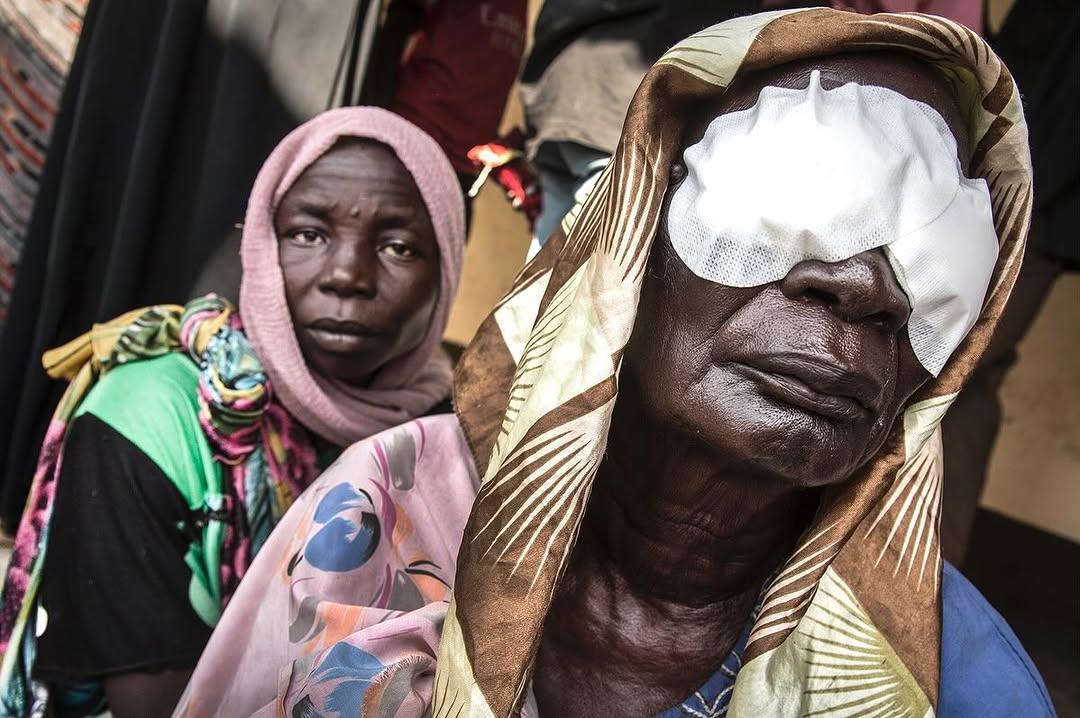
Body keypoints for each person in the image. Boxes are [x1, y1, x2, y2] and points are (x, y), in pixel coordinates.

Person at [176, 9, 1052, 717]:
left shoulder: (969, 687)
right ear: (631, 242)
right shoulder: (391, 508)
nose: (866, 287)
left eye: (938, 253)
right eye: (804, 184)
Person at [0, 106, 465, 717]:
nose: (348, 275)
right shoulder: (148, 416)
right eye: (308, 234)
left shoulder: (448, 444)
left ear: (447, 273)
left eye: (399, 246)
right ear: (262, 246)